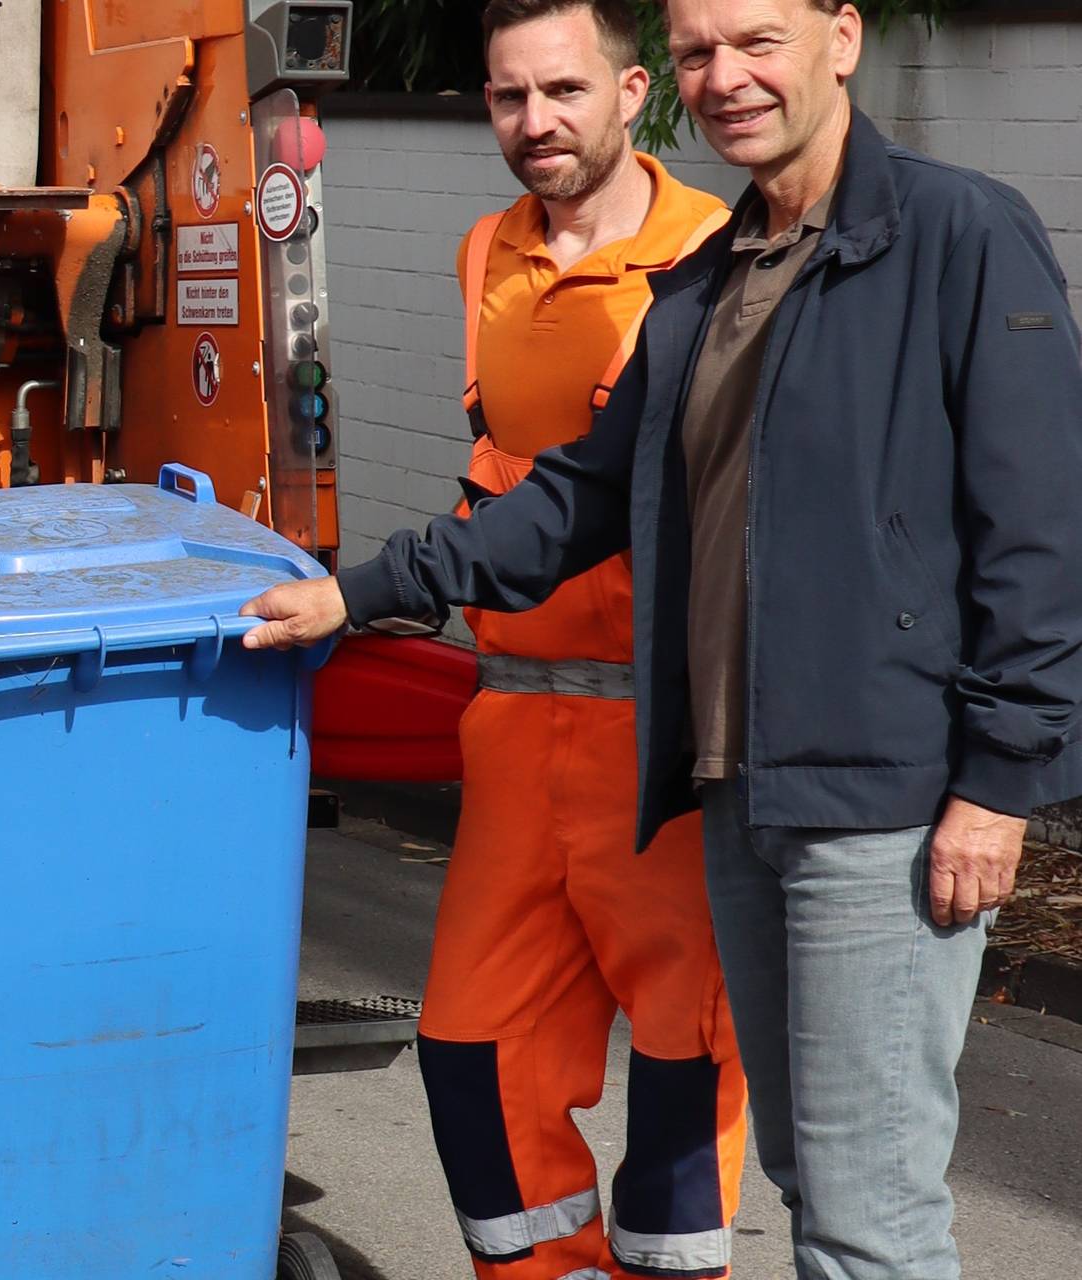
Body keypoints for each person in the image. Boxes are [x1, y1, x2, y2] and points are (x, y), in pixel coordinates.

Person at [244, 0, 1082, 1275]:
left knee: (868, 1212)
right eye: (702, 52)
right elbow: (574, 496)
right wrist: (356, 592)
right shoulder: (707, 283)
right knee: (808, 1174)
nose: (727, 78)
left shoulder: (955, 234)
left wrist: (996, 783)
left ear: (839, 40)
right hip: (739, 785)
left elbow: (1039, 522)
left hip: (885, 793)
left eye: (756, 42)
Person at [416, 6, 747, 1279]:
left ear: (629, 90)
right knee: (469, 1051)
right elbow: (498, 477)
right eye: (508, 97)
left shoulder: (713, 255)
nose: (534, 122)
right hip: (510, 721)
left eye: (561, 90)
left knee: (680, 1063)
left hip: (655, 736)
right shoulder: (481, 253)